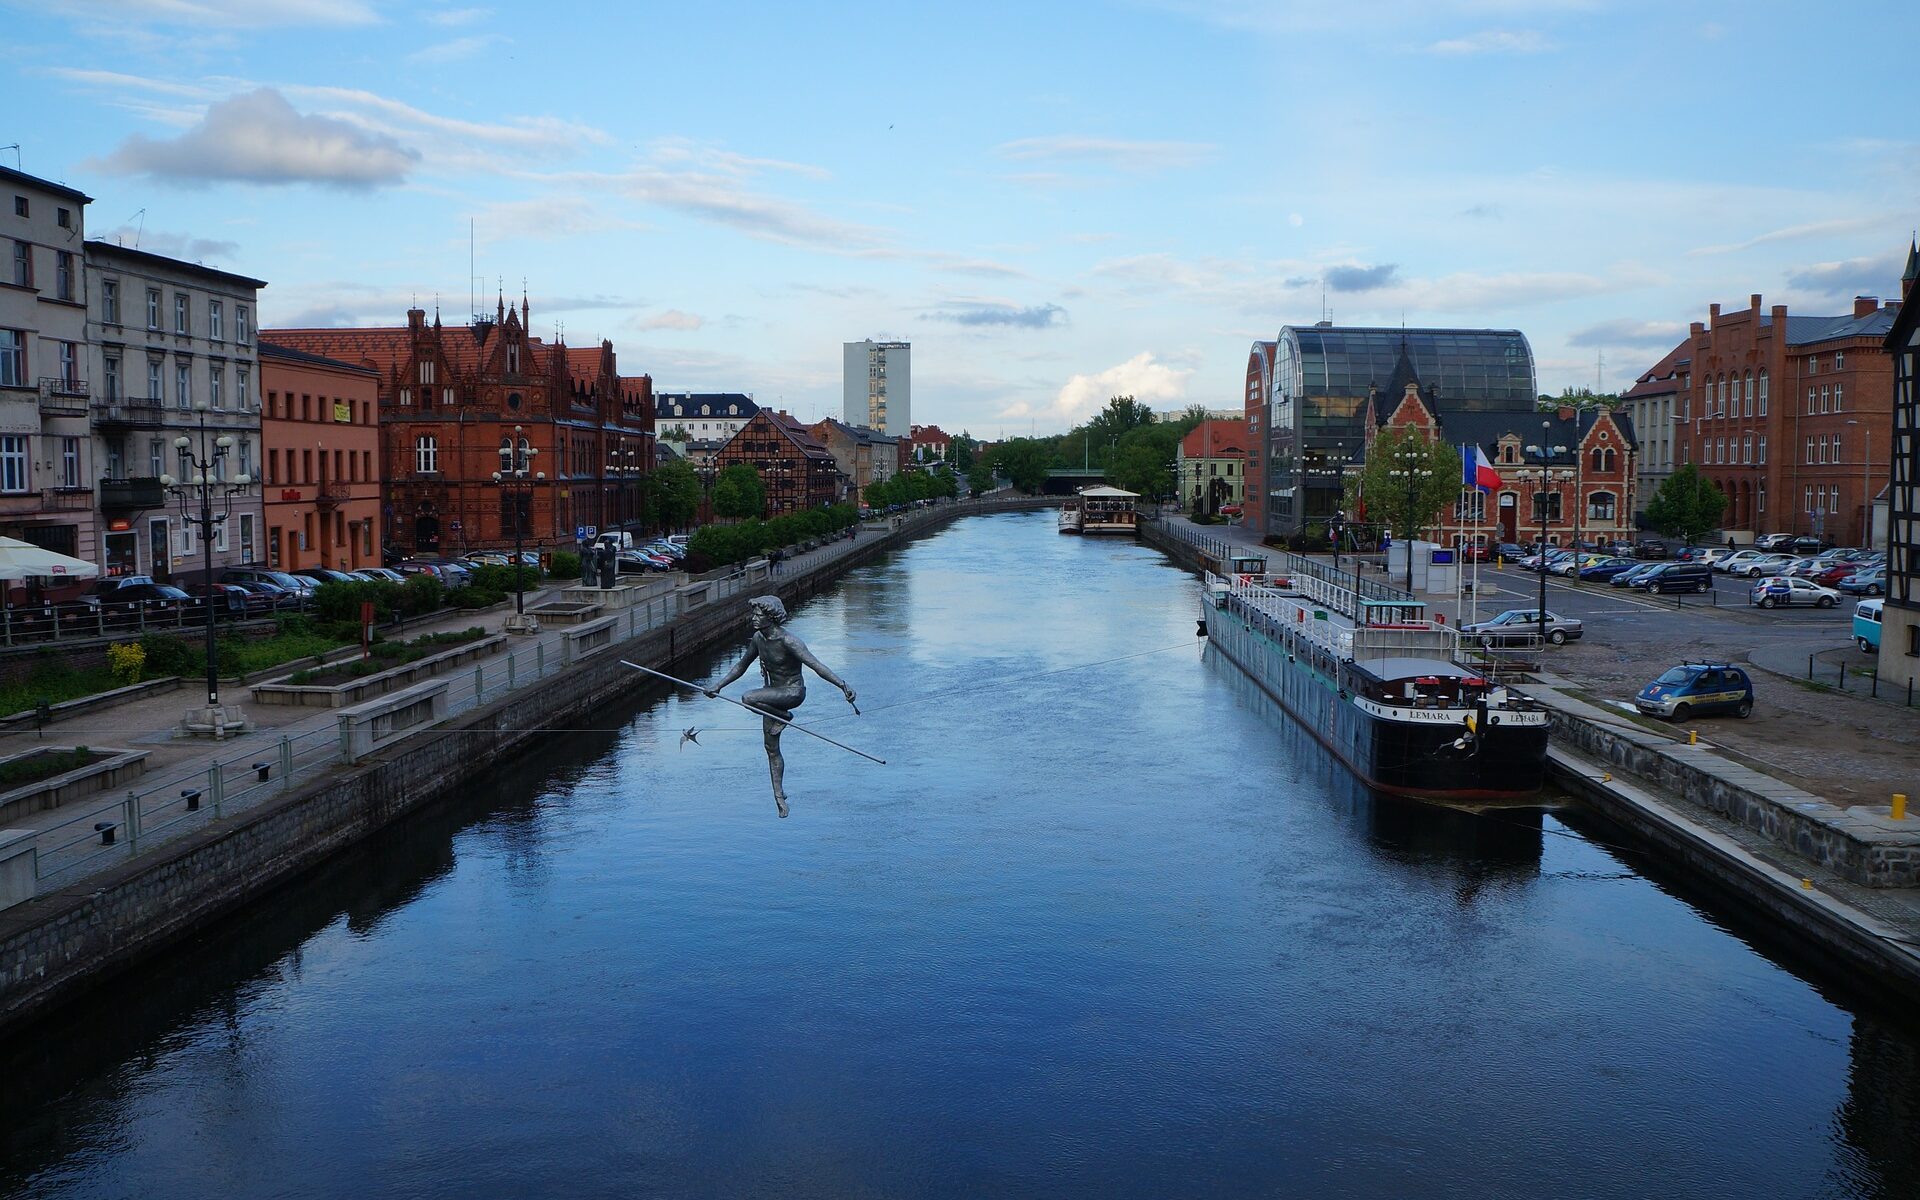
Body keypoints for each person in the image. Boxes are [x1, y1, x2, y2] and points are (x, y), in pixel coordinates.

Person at [706, 595, 856, 818]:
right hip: (770, 698)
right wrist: (717, 686)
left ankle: (784, 717)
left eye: (759, 615)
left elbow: (816, 665)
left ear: (771, 617)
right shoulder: (758, 638)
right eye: (754, 614)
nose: (754, 618)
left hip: (792, 694)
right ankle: (779, 798)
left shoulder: (789, 641)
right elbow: (741, 666)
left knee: (748, 698)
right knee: (771, 749)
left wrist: (842, 685)